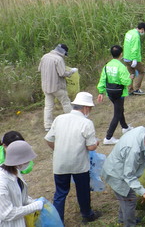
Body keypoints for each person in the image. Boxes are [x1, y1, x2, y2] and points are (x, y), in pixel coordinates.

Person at [44, 92, 101, 224]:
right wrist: (96, 143)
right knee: (83, 190)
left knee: (60, 193)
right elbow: (91, 147)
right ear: (86, 108)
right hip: (79, 164)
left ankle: (58, 222)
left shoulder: (59, 118)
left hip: (60, 163)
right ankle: (87, 214)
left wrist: (58, 149)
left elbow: (48, 139)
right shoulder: (86, 123)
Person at [101, 127, 145, 226]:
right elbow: (128, 175)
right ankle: (129, 224)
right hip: (116, 173)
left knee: (125, 199)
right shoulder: (133, 151)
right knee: (129, 199)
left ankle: (122, 219)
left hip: (119, 165)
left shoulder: (143, 131)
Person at [0, 141, 44, 225]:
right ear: (19, 161)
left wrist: (32, 201)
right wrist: (35, 206)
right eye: (27, 160)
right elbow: (7, 214)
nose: (29, 162)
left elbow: (19, 196)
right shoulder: (1, 182)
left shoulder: (15, 171)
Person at [97, 45, 134, 145]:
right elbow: (125, 82)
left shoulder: (107, 66)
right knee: (117, 114)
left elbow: (102, 80)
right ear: (121, 54)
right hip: (119, 92)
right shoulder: (121, 67)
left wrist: (101, 92)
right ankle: (108, 137)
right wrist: (130, 78)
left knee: (119, 109)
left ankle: (125, 127)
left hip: (110, 92)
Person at [38, 43, 77, 131]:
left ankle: (47, 126)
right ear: (63, 52)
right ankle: (74, 120)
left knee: (48, 106)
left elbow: (39, 69)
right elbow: (62, 73)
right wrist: (71, 71)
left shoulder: (45, 56)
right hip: (57, 87)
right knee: (66, 102)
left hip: (46, 86)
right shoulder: (58, 59)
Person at [123, 22, 145, 96]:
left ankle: (130, 90)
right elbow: (135, 48)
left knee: (131, 73)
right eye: (144, 31)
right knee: (142, 71)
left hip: (126, 57)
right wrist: (134, 59)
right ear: (142, 29)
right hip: (133, 59)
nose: (143, 33)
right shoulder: (136, 36)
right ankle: (137, 89)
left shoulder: (129, 32)